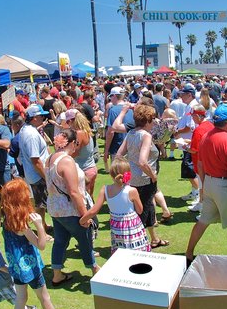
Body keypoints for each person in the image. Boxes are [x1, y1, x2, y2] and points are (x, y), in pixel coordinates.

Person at [1, 179, 75, 309]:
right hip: (30, 268)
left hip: (17, 268)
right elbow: (40, 245)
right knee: (44, 297)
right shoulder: (22, 225)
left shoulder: (7, 219)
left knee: (21, 299)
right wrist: (40, 226)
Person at [185, 104, 227, 264]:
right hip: (225, 186)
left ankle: (189, 252)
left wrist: (205, 186)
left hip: (210, 184)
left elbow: (200, 165)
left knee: (203, 220)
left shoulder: (206, 136)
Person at [45, 129, 100, 286]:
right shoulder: (66, 161)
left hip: (55, 208)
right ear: (73, 143)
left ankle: (57, 274)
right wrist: (85, 215)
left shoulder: (50, 159)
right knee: (84, 239)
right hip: (70, 209)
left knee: (60, 241)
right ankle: (94, 268)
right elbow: (74, 192)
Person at [118, 105, 169, 249]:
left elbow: (119, 155)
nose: (154, 121)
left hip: (131, 178)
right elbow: (142, 161)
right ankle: (138, 244)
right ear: (147, 120)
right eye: (153, 119)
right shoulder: (146, 135)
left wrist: (126, 174)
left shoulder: (131, 133)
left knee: (147, 208)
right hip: (144, 179)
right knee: (142, 211)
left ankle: (154, 238)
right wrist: (153, 176)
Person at [80, 157, 150, 253]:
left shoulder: (105, 189)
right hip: (132, 226)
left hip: (116, 226)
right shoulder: (132, 191)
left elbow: (94, 210)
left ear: (111, 174)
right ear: (128, 174)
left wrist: (82, 220)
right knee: (137, 253)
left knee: (120, 253)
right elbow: (140, 210)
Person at [18, 105, 52, 234]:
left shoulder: (26, 130)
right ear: (35, 118)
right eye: (41, 116)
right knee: (41, 205)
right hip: (38, 175)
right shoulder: (31, 135)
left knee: (41, 203)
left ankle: (43, 225)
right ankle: (41, 230)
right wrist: (46, 177)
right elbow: (35, 160)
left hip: (34, 174)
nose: (43, 118)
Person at [65, 109, 98, 199]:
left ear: (72, 121)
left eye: (67, 122)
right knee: (89, 199)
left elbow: (75, 152)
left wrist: (63, 153)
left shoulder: (79, 133)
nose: (67, 124)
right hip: (89, 168)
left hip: (84, 170)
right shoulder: (85, 131)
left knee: (84, 200)